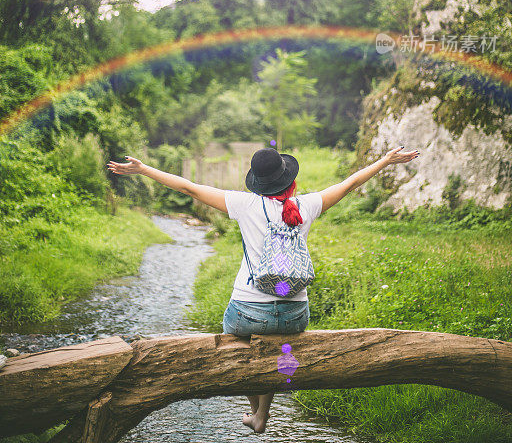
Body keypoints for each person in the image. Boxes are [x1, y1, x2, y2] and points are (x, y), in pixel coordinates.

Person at [108, 143, 418, 434]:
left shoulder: (244, 205)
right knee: (274, 344)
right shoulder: (306, 206)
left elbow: (187, 187)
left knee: (237, 341)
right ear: (289, 180)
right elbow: (350, 183)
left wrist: (144, 169)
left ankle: (255, 408)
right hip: (296, 315)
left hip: (248, 314)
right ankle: (262, 414)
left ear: (257, 182)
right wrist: (386, 160)